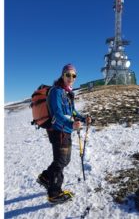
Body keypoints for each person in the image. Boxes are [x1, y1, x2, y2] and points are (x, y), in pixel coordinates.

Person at [36, 64, 92, 204]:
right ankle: (54, 193)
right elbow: (57, 113)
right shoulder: (56, 91)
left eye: (74, 75)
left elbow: (72, 112)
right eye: (68, 74)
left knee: (63, 160)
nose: (71, 78)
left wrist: (83, 118)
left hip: (65, 130)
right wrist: (71, 124)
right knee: (61, 161)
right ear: (62, 75)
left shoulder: (68, 93)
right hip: (58, 131)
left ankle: (45, 177)